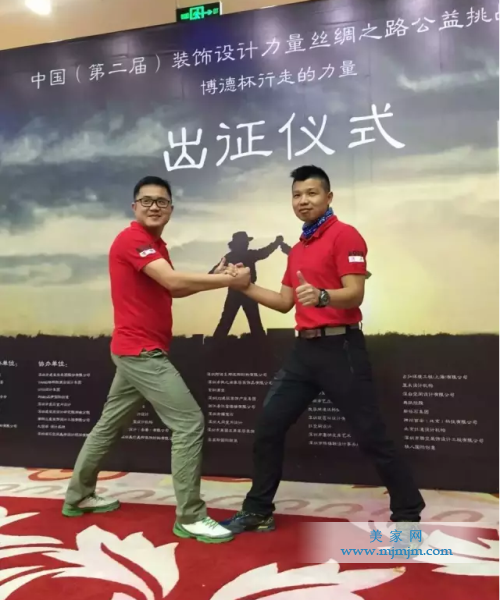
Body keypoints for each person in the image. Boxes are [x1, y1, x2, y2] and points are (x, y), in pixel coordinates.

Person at [221, 165, 425, 534]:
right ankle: (258, 510)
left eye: (311, 193)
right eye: (297, 195)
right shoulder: (298, 249)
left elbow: (355, 293)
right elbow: (284, 302)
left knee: (371, 434)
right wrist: (244, 287)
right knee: (269, 426)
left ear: (328, 197)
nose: (303, 201)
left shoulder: (345, 235)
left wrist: (323, 296)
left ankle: (408, 512)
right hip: (304, 352)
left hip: (341, 348)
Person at [62, 175, 250, 544]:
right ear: (134, 207)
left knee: (108, 426)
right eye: (146, 200)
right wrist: (230, 282)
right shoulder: (132, 239)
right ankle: (190, 517)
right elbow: (174, 282)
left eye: (161, 202)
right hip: (141, 352)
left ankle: (78, 495)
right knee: (189, 423)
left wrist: (214, 276)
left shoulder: (155, 245)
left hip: (136, 349)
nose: (154, 206)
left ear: (170, 210)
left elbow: (172, 289)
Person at [209, 232, 283, 338]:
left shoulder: (230, 256)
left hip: (239, 292)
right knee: (254, 324)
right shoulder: (248, 255)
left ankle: (214, 346)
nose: (247, 244)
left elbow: (213, 272)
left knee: (226, 322)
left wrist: (212, 276)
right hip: (247, 291)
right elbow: (264, 252)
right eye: (246, 242)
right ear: (242, 243)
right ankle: (263, 348)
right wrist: (276, 243)